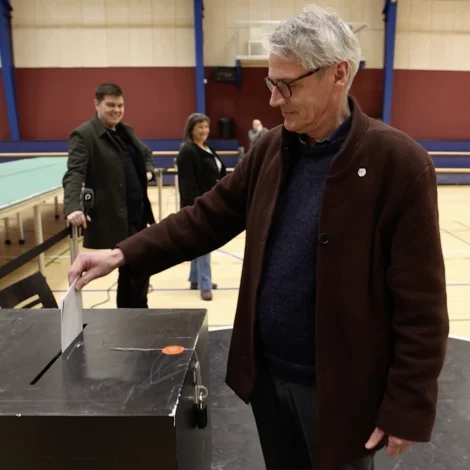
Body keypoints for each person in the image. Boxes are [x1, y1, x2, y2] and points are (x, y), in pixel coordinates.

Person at [67, 5, 449, 470]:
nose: (273, 100)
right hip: (268, 377)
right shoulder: (270, 148)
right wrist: (121, 254)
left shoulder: (400, 164)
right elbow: (205, 217)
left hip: (340, 390)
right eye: (272, 83)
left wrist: (408, 402)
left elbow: (421, 301)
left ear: (338, 74)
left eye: (287, 85)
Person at [63, 82, 156, 309]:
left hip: (138, 215)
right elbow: (74, 173)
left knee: (139, 270)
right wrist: (73, 206)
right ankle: (131, 315)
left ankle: (136, 313)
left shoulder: (126, 131)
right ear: (96, 104)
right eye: (111, 105)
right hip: (117, 217)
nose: (117, 110)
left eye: (120, 105)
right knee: (133, 269)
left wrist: (149, 169)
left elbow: (146, 153)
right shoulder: (84, 134)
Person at [177, 113, 226, 301]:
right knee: (205, 242)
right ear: (191, 129)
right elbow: (187, 186)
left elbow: (219, 171)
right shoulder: (187, 151)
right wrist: (198, 208)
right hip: (199, 205)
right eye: (200, 127)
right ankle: (205, 284)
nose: (204, 130)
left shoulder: (207, 147)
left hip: (212, 201)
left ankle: (195, 279)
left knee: (199, 243)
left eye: (206, 126)